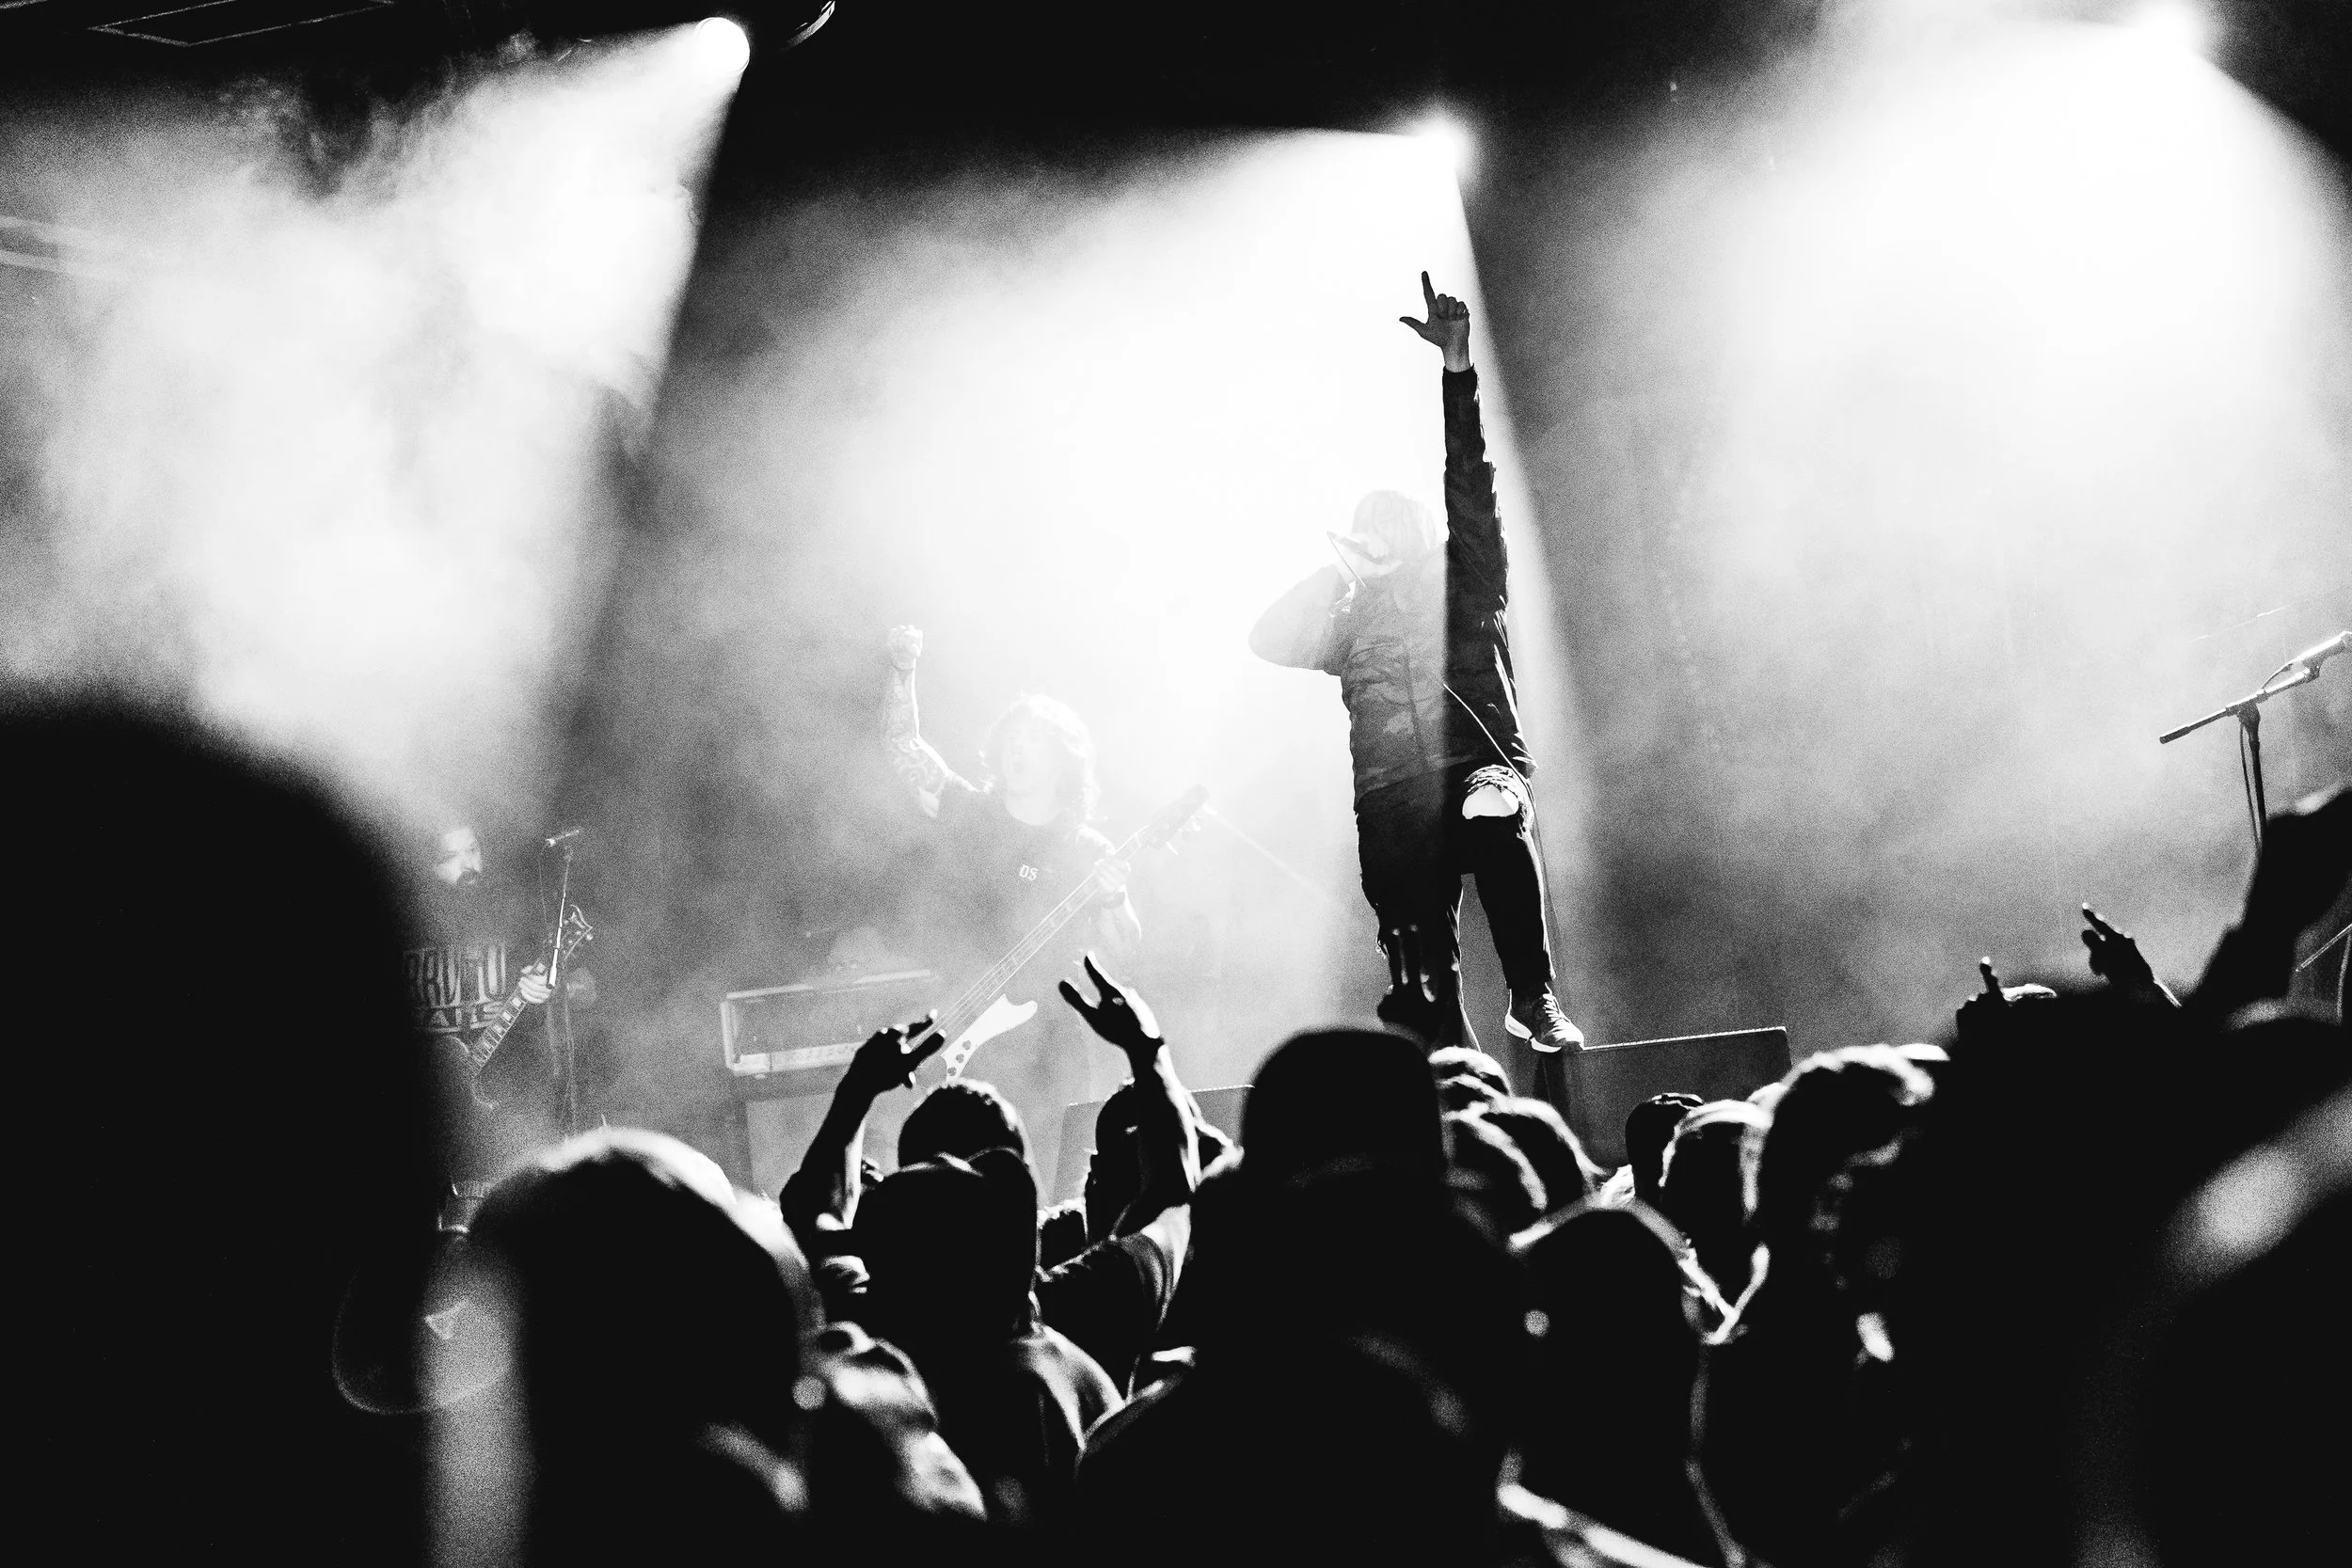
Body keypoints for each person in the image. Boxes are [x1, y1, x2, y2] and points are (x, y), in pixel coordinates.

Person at [1249, 273, 1581, 1060]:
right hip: (1391, 792)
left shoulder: (1469, 575)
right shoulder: (1345, 614)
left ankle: (1533, 997)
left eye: (1396, 525)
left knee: (1494, 814)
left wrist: (1457, 369)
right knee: (1424, 981)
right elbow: (1266, 636)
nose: (1385, 537)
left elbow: (1470, 479)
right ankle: (1453, 1053)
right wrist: (1339, 568)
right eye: (1371, 529)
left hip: (1477, 765)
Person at [880, 627, 1139, 1184]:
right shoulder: (971, 813)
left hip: (1049, 1043)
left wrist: (1115, 892)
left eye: (1037, 740)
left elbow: (1126, 942)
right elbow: (905, 750)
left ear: (1065, 759)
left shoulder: (1086, 850)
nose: (1020, 748)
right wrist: (903, 671)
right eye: (1013, 738)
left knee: (1051, 1186)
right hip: (961, 1025)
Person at [404, 823, 555, 1143]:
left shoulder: (513, 917)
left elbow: (550, 995)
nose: (469, 864)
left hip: (504, 1107)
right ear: (429, 866)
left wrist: (540, 988)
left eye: (473, 849)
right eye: (452, 856)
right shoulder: (405, 922)